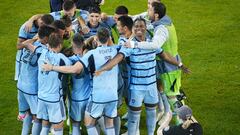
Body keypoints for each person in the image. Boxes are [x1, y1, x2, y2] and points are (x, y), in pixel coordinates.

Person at [95, 18, 189, 135]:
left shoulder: (152, 44)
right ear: (133, 29)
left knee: (151, 115)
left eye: (141, 26)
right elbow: (117, 59)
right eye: (136, 27)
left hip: (151, 88)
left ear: (145, 28)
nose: (139, 28)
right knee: (134, 118)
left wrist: (180, 64)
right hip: (136, 89)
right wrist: (102, 69)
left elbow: (165, 56)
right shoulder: (129, 46)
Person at [42, 27, 118, 135]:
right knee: (97, 122)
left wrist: (51, 67)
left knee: (76, 124)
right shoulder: (92, 55)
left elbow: (71, 68)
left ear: (73, 45)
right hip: (90, 97)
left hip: (77, 99)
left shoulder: (70, 60)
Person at [125, 1, 190, 126]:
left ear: (156, 15)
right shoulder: (162, 21)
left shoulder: (162, 29)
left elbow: (155, 45)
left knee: (173, 96)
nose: (147, 11)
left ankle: (185, 124)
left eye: (150, 10)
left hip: (169, 66)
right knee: (171, 94)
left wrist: (134, 44)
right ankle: (182, 122)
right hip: (166, 63)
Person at [17, 25, 55, 135]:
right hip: (31, 87)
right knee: (38, 117)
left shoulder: (29, 43)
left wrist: (35, 38)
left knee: (28, 113)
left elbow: (20, 45)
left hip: (21, 84)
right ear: (46, 38)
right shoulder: (42, 50)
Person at [15, 14, 54, 81]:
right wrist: (34, 39)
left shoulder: (45, 19)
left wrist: (31, 19)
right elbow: (19, 46)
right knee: (23, 77)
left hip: (36, 52)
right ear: (41, 23)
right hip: (25, 55)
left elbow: (39, 15)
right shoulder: (26, 27)